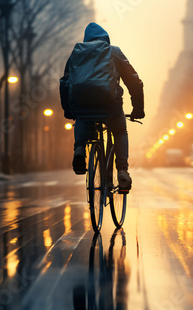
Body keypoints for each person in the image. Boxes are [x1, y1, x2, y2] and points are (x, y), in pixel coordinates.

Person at [60, 23, 144, 192]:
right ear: (105, 38)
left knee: (81, 116)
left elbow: (65, 83)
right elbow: (134, 81)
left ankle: (79, 151)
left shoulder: (77, 53)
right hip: (110, 106)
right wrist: (138, 109)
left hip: (82, 105)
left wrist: (68, 110)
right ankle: (122, 170)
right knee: (120, 131)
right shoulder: (114, 52)